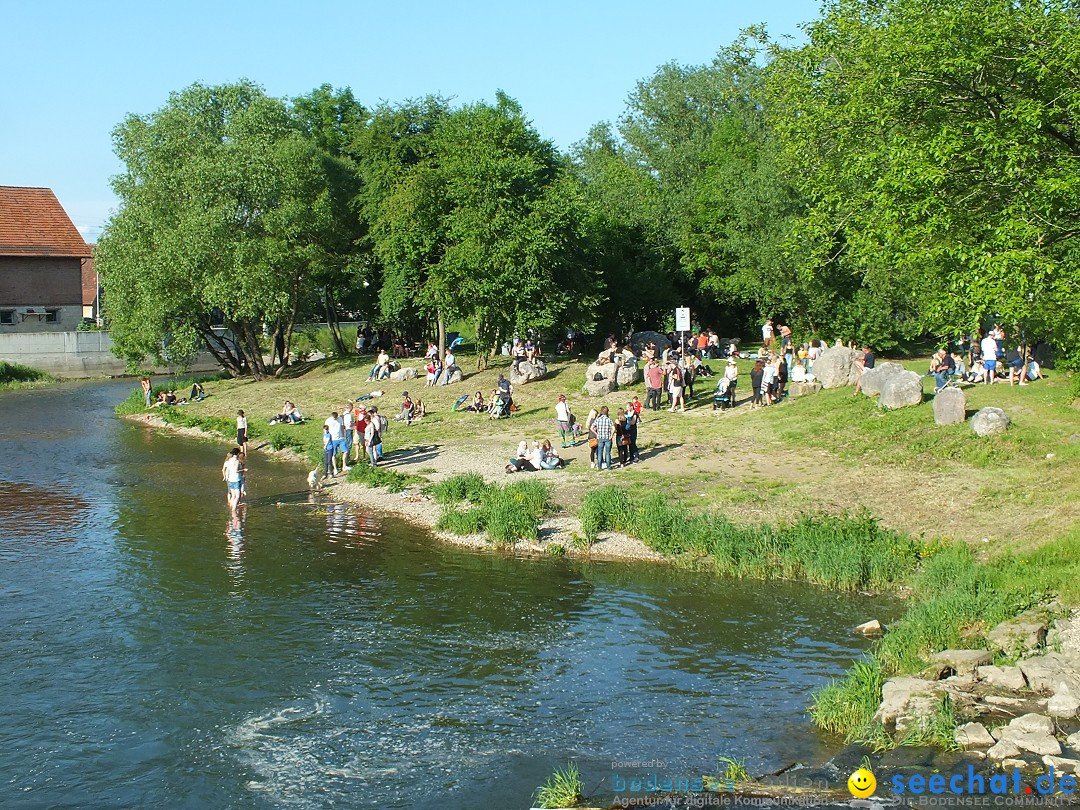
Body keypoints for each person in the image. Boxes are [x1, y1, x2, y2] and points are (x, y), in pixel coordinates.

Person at [593, 406, 615, 471]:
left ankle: (599, 467)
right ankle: (608, 466)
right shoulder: (609, 420)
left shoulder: (598, 419)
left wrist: (597, 434)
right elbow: (613, 428)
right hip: (608, 438)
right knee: (608, 453)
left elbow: (592, 427)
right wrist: (611, 435)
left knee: (600, 453)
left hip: (600, 438)